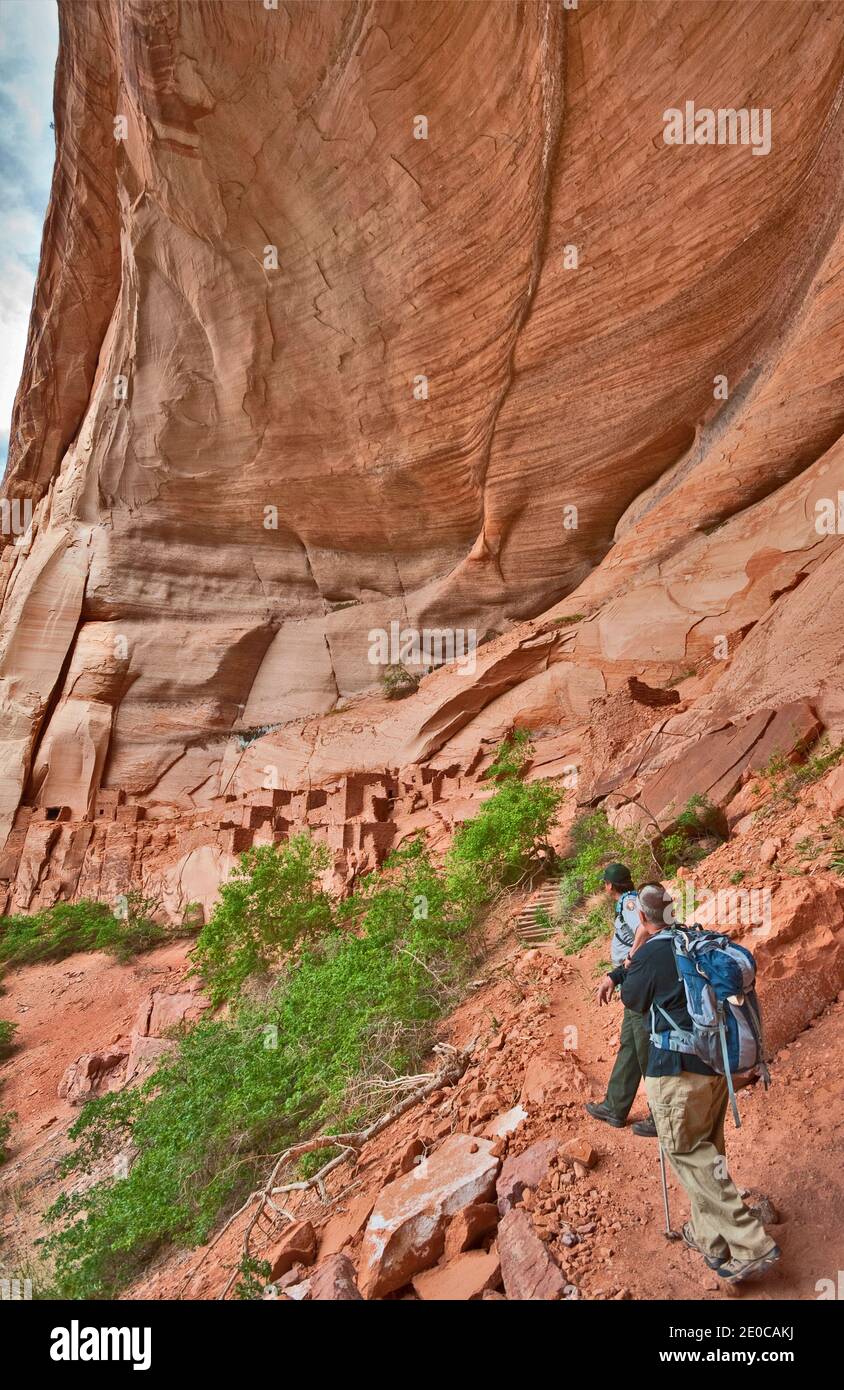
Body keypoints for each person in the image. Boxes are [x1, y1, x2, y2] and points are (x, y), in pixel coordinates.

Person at [609, 881, 781, 1285]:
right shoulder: (694, 938)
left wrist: (636, 946)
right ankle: (709, 1237)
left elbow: (632, 1001)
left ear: (643, 916)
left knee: (687, 1153)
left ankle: (750, 1243)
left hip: (674, 1073)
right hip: (712, 1068)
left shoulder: (651, 951)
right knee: (709, 1154)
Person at [584, 864, 658, 1137]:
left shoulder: (629, 902)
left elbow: (645, 929)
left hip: (639, 981)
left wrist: (628, 961)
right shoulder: (630, 900)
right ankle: (615, 1107)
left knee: (645, 1046)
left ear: (609, 886)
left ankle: (661, 1115)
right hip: (632, 980)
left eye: (604, 883)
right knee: (630, 1044)